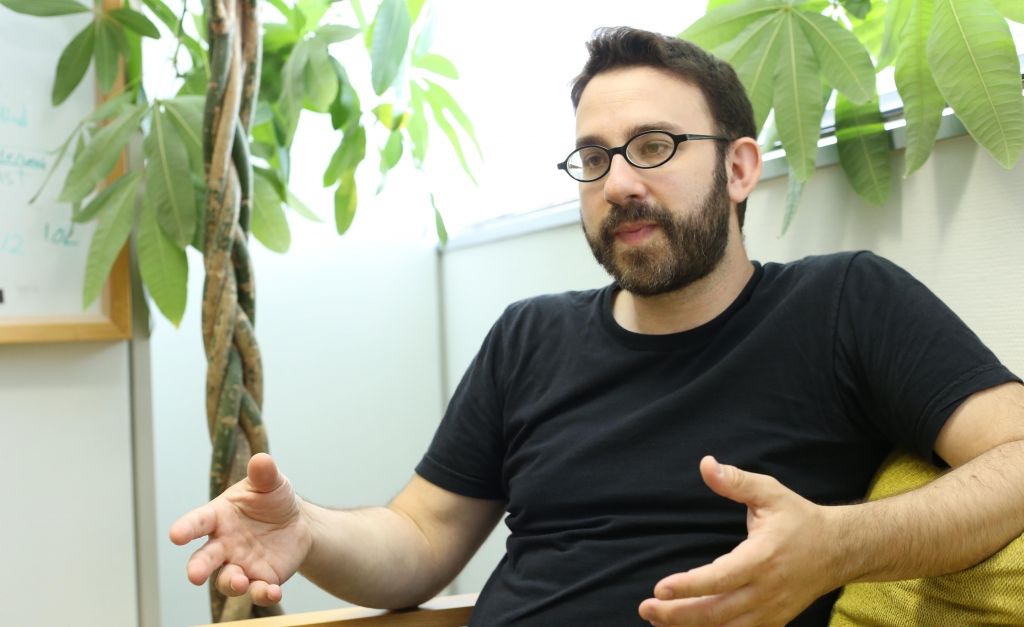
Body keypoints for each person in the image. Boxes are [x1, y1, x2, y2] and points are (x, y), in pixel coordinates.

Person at [171, 27, 1024, 627]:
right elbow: (421, 539)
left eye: (653, 146)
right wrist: (309, 530)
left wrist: (840, 545)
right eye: (593, 157)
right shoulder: (528, 338)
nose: (617, 182)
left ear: (738, 169)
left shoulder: (841, 303)